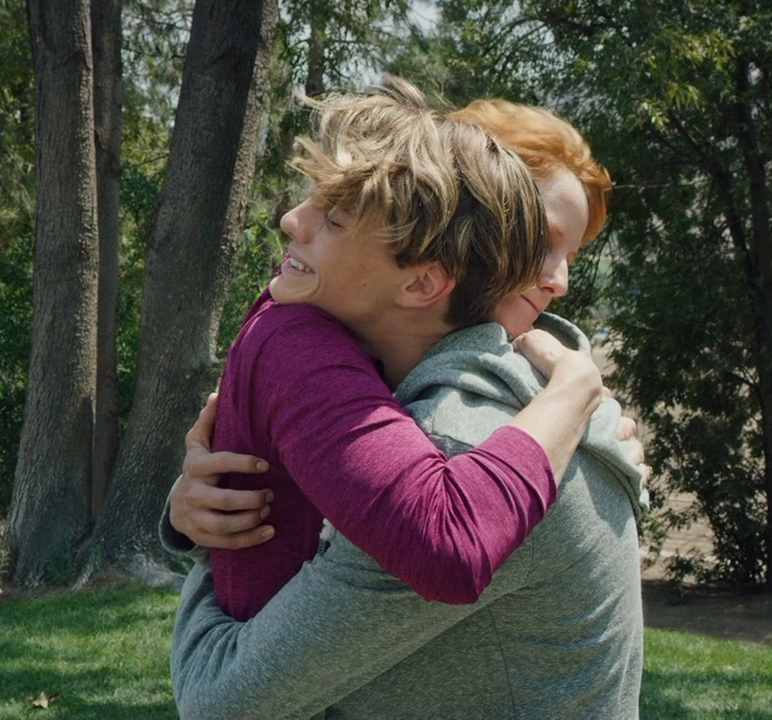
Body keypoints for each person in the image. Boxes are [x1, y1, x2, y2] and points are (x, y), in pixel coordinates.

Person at [166, 97, 648, 718]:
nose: (557, 280)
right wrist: (194, 509)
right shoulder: (448, 398)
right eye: (537, 238)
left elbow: (222, 698)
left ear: (429, 273)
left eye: (563, 251)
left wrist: (215, 563)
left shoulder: (461, 450)